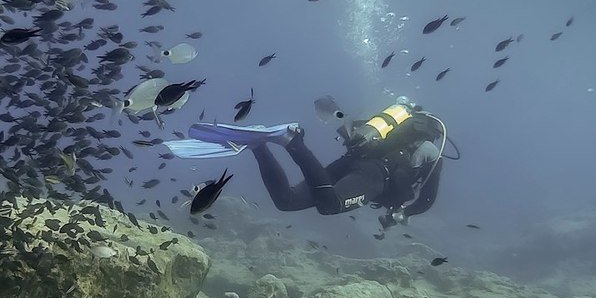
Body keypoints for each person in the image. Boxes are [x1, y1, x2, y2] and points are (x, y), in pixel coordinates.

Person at [166, 97, 446, 228]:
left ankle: (259, 145)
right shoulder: (432, 149)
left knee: (287, 201)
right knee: (330, 204)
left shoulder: (395, 135)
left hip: (352, 161)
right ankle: (293, 142)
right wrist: (404, 215)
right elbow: (427, 200)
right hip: (375, 176)